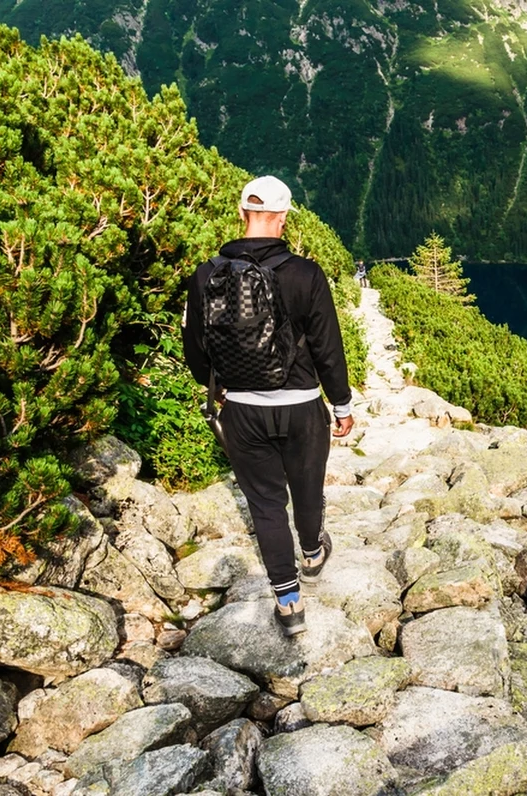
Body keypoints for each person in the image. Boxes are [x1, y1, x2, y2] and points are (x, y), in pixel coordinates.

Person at [182, 175, 354, 636]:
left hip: (241, 410)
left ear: (242, 216)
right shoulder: (305, 274)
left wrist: (217, 389)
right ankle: (314, 552)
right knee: (307, 487)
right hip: (301, 407)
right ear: (281, 219)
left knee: (265, 505)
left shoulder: (206, 274)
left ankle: (289, 604)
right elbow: (327, 348)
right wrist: (341, 405)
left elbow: (195, 348)